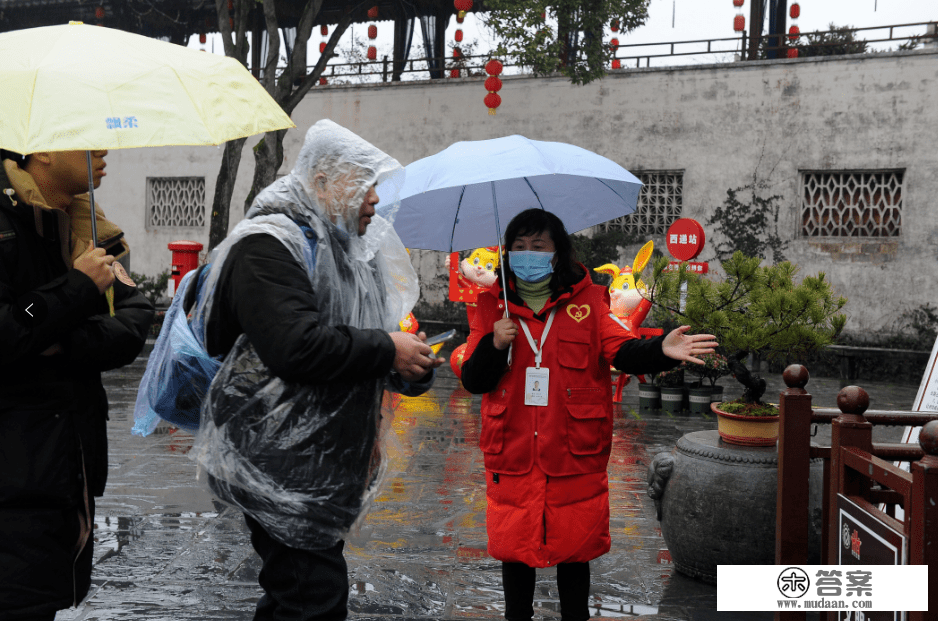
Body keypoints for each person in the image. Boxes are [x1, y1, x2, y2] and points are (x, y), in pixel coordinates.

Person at [187, 119, 442, 621]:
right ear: (322, 180)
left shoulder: (348, 252)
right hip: (275, 464)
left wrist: (410, 364)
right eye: (365, 184)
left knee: (301, 598)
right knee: (312, 600)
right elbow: (295, 346)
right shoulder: (267, 245)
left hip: (325, 467)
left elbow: (375, 336)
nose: (374, 199)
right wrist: (386, 350)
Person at [460, 208, 717, 621]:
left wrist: (659, 349)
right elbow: (473, 380)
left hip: (573, 451)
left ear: (558, 252)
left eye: (538, 247)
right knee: (514, 549)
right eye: (519, 248)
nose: (528, 255)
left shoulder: (589, 301)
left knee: (574, 551)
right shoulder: (493, 306)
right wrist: (494, 344)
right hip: (513, 449)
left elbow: (622, 350)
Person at [0, 149, 155, 619]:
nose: (103, 150)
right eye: (87, 139)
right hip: (14, 477)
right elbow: (8, 328)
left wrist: (60, 340)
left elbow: (135, 318)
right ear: (43, 151)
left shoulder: (94, 231)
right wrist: (74, 288)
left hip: (69, 474)